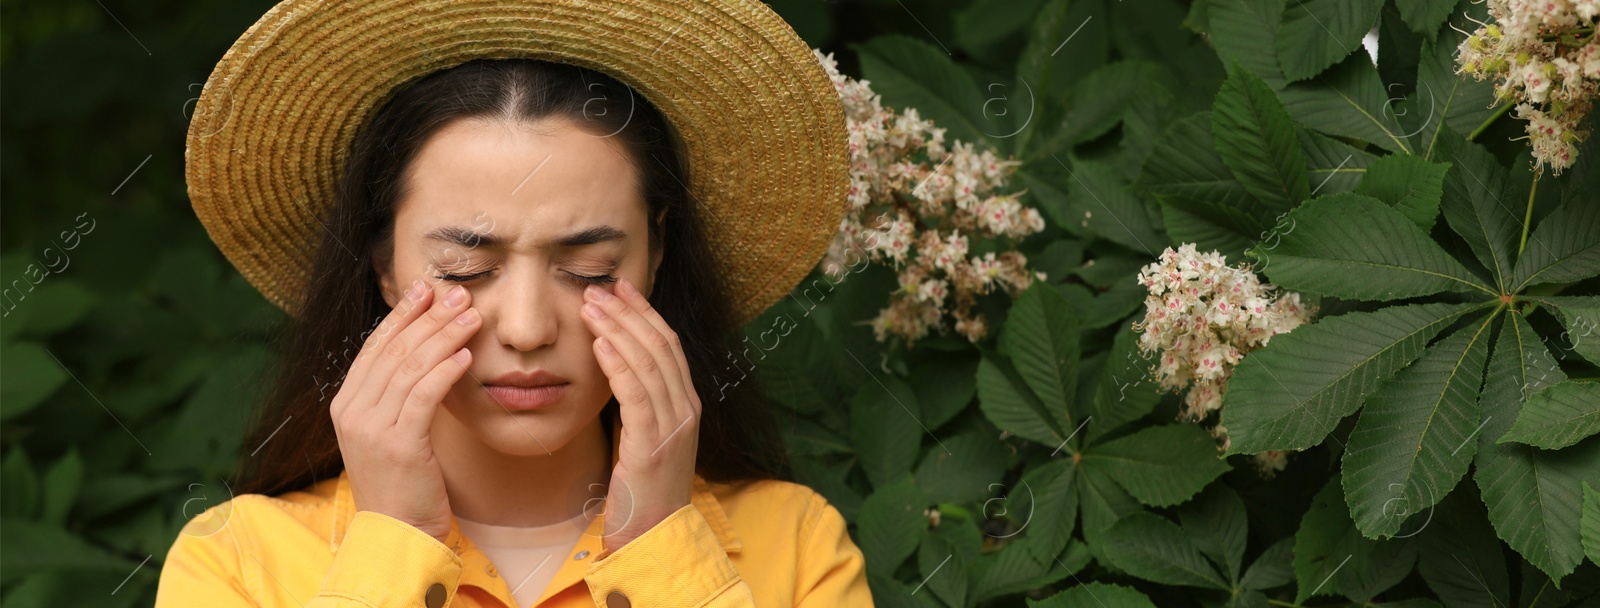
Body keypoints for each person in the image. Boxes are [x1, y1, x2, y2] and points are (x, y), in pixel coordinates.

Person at [156, 1, 871, 606]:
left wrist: (658, 542)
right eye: (464, 268)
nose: (527, 329)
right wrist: (393, 552)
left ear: (656, 256)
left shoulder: (799, 545)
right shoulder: (237, 561)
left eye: (590, 268)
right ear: (381, 264)